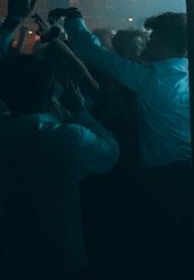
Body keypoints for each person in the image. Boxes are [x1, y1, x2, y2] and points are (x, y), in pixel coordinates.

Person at [51, 6, 191, 275]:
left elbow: (96, 55)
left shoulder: (153, 79)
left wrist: (74, 19)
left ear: (170, 42)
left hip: (165, 176)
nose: (149, 42)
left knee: (163, 247)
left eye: (155, 37)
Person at [0, 52, 120, 279]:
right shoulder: (67, 136)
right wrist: (80, 113)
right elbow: (111, 153)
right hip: (61, 253)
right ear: (50, 92)